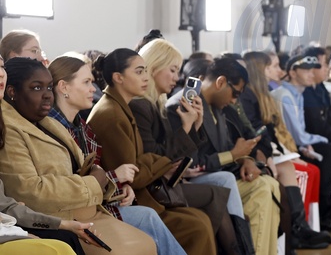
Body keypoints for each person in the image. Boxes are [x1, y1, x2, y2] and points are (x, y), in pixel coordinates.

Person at [0, 57, 157, 255]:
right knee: (137, 241)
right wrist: (94, 181)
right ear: (12, 92)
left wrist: (103, 180)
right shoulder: (10, 129)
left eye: (49, 87)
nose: (47, 95)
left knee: (148, 241)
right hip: (60, 217)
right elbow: (29, 191)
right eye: (37, 88)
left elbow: (86, 167)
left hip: (90, 211)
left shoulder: (50, 123)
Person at [47, 53, 188, 254]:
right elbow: (68, 184)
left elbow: (95, 175)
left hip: (98, 206)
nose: (93, 89)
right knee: (160, 220)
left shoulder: (82, 127)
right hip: (75, 213)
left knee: (184, 218)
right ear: (64, 87)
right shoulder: (54, 129)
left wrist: (118, 187)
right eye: (86, 82)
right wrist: (116, 177)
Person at [86, 49, 217, 255]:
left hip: (141, 192)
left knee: (199, 221)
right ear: (118, 77)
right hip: (128, 199)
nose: (146, 77)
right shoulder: (112, 114)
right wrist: (162, 162)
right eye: (139, 72)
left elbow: (138, 165)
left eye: (146, 71)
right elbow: (132, 175)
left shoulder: (120, 107)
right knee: (196, 226)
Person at [129, 39, 253, 255]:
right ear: (154, 66)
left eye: (178, 71)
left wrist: (194, 125)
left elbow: (176, 154)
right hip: (153, 187)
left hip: (170, 179)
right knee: (215, 198)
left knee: (215, 205)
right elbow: (156, 156)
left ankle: (241, 249)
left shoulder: (158, 103)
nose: (177, 78)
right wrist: (188, 127)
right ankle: (240, 250)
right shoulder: (145, 106)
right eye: (173, 70)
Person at [165, 56, 281, 255]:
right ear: (220, 82)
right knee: (257, 188)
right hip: (192, 180)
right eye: (235, 93)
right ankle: (246, 249)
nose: (235, 101)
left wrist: (245, 159)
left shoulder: (217, 106)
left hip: (218, 173)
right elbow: (191, 163)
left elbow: (227, 147)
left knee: (268, 184)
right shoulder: (183, 105)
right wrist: (234, 154)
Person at [240, 51, 331, 250]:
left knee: (303, 162)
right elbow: (256, 132)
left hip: (270, 150)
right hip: (255, 154)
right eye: (272, 66)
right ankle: (298, 228)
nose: (278, 70)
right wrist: (272, 155)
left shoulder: (263, 94)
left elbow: (268, 131)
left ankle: (301, 226)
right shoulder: (250, 96)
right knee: (300, 166)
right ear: (260, 70)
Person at [272, 55, 331, 233]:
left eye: (311, 70)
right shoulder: (285, 96)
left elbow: (300, 133)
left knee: (330, 150)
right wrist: (318, 140)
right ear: (292, 73)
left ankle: (329, 213)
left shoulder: (297, 94)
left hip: (295, 144)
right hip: (286, 148)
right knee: (328, 150)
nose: (311, 74)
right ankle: (321, 217)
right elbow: (298, 135)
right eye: (305, 70)